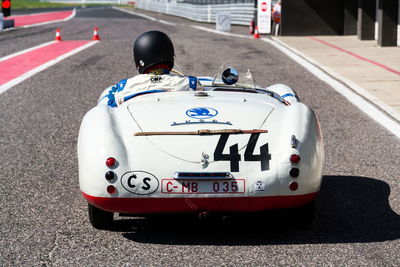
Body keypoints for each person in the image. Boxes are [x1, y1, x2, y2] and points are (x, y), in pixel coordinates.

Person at [99, 31, 201, 108]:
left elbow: (106, 108)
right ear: (170, 55)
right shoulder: (190, 83)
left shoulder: (123, 87)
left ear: (139, 60)